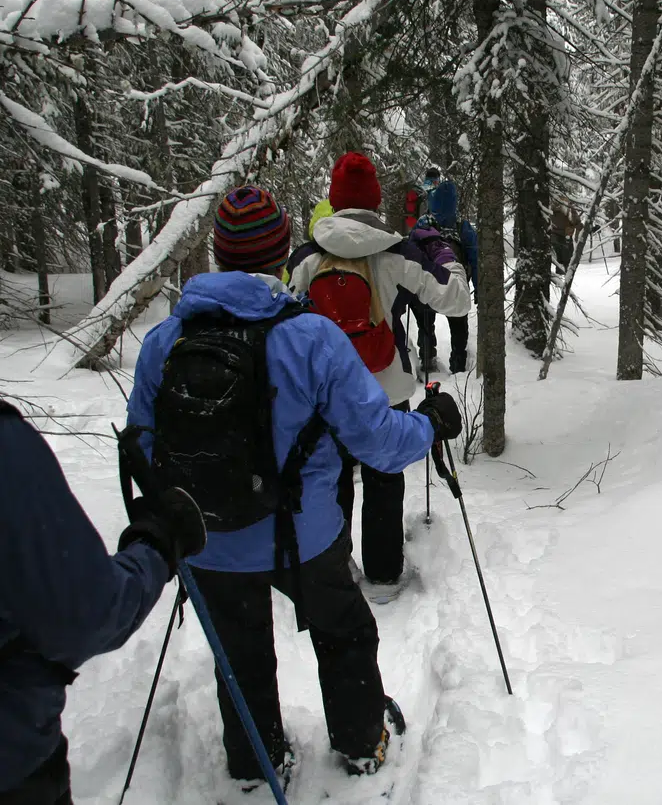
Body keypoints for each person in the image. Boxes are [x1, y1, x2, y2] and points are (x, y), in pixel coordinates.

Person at [126, 185, 464, 790]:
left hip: (208, 540)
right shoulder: (310, 339)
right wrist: (430, 423)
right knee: (344, 632)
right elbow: (377, 438)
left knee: (241, 649)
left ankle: (256, 761)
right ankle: (363, 740)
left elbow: (145, 448)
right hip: (302, 536)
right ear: (283, 251)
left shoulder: (164, 342)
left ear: (219, 255)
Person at [286, 153, 471, 601]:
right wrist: (445, 252)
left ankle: (336, 567)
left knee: (332, 477)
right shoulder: (394, 251)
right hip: (384, 384)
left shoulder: (308, 256)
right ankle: (385, 575)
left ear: (334, 198)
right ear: (374, 199)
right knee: (384, 475)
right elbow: (456, 300)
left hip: (324, 393)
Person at [0, 401, 205, 805]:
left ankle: (250, 761)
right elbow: (86, 614)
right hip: (13, 760)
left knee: (244, 635)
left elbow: (144, 415)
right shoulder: (6, 450)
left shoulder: (167, 338)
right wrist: (154, 547)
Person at [413, 167, 478, 373]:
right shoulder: (462, 227)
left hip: (427, 283)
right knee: (458, 324)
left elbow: (410, 253)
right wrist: (478, 286)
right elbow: (475, 257)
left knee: (425, 321)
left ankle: (427, 357)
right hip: (456, 284)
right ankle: (458, 364)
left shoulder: (423, 225)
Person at [550, 200, 581, 275]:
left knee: (560, 261)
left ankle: (562, 278)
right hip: (564, 237)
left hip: (555, 237)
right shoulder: (567, 208)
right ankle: (565, 280)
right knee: (566, 261)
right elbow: (576, 222)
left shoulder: (550, 206)